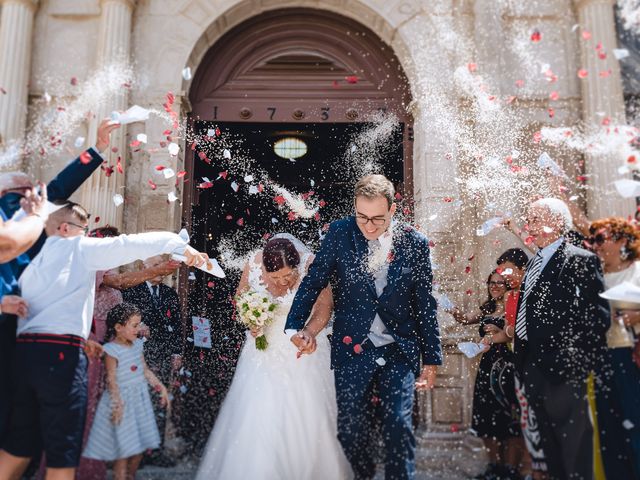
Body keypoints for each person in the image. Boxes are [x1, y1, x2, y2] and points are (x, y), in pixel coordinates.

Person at [0, 201, 209, 480]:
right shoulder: (79, 249)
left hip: (23, 354)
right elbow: (129, 244)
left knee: (18, 444)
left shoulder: (21, 253)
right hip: (62, 356)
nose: (86, 234)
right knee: (64, 445)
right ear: (65, 228)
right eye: (82, 229)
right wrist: (180, 245)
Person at [286, 174, 442, 480]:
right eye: (362, 217)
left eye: (378, 219)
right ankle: (365, 474)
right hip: (352, 346)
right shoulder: (339, 233)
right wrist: (294, 327)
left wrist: (432, 359)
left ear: (393, 210)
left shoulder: (415, 243)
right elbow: (315, 280)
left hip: (399, 349)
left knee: (398, 424)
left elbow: (425, 303)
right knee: (349, 427)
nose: (369, 226)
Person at [0, 119, 119, 444]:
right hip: (5, 321)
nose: (33, 197)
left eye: (34, 192)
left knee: (21, 416)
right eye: (22, 193)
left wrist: (97, 149)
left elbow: (61, 185)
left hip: (31, 328)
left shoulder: (34, 217)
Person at [195, 235, 351, 479]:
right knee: (259, 412)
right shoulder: (254, 264)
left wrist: (308, 332)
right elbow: (241, 298)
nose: (283, 282)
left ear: (297, 265)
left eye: (288, 276)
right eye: (275, 278)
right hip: (263, 351)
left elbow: (323, 308)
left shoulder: (312, 266)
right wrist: (250, 321)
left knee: (307, 412)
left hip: (303, 350)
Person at [513, 198, 610, 480]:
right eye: (528, 218)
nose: (528, 224)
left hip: (565, 370)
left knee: (574, 448)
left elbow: (597, 318)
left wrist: (575, 363)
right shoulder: (534, 262)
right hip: (533, 368)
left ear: (556, 222)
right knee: (550, 448)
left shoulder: (580, 259)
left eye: (534, 219)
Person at [83, 303, 169, 480]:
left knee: (140, 449)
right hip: (122, 403)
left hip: (140, 402)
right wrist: (117, 404)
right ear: (118, 327)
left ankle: (130, 476)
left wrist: (161, 387)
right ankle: (121, 476)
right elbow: (111, 380)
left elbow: (144, 370)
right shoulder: (111, 350)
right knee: (124, 452)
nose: (139, 329)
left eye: (139, 324)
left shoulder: (137, 345)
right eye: (135, 325)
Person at [451, 271, 522, 480]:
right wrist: (449, 307)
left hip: (508, 366)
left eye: (500, 283)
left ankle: (510, 469)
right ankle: (494, 467)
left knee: (509, 416)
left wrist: (496, 331)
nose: (495, 286)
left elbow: (516, 333)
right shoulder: (487, 308)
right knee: (487, 415)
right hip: (487, 367)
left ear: (508, 285)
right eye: (492, 283)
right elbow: (465, 319)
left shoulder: (513, 306)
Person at [587, 217, 640, 479]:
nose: (595, 246)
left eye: (600, 239)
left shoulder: (637, 271)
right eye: (592, 240)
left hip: (630, 357)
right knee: (608, 429)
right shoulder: (592, 273)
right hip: (601, 358)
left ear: (621, 240)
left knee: (635, 424)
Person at [122, 255, 183, 466]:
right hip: (139, 356)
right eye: (155, 265)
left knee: (160, 401)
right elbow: (121, 322)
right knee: (138, 402)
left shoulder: (170, 294)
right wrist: (137, 329)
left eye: (161, 264)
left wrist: (177, 353)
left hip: (164, 355)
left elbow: (177, 326)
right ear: (142, 267)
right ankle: (136, 453)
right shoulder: (130, 291)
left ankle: (156, 450)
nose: (160, 269)